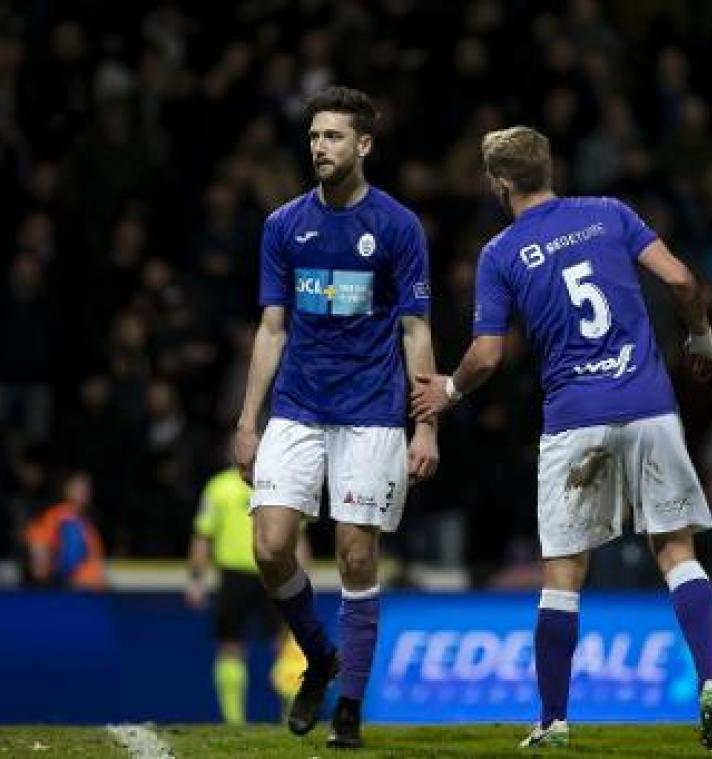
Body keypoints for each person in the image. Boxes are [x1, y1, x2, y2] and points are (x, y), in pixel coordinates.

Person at [411, 125, 712, 750]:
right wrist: (699, 334)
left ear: (499, 184)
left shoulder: (501, 252)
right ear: (551, 168)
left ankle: (554, 722)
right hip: (648, 406)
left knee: (563, 572)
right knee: (676, 551)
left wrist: (448, 391)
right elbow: (682, 282)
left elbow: (486, 355)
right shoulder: (609, 213)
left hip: (574, 417)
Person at [234, 85, 439, 750]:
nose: (320, 147)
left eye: (334, 137)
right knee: (268, 545)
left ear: (364, 145)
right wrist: (247, 419)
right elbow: (271, 327)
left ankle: (349, 705)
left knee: (355, 552)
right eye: (315, 136)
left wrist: (427, 422)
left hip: (372, 412)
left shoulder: (399, 227)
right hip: (298, 404)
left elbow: (415, 330)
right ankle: (319, 655)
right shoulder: (284, 225)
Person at [185, 459, 311, 725]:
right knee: (231, 646)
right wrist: (196, 578)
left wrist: (302, 580)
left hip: (276, 575)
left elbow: (297, 537)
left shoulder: (281, 484)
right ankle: (233, 720)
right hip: (234, 576)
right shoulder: (219, 487)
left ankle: (290, 716)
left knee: (286, 646)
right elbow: (202, 534)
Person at [23, 470, 106, 590]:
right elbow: (39, 556)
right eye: (79, 485)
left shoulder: (87, 522)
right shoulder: (57, 517)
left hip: (92, 594)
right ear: (66, 489)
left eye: (87, 486)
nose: (85, 490)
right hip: (68, 594)